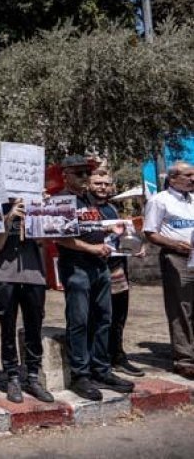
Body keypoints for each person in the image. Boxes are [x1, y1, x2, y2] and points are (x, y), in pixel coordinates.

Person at [54, 156, 134, 401]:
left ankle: (101, 369)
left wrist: (113, 232)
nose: (85, 178)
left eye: (86, 173)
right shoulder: (60, 201)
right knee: (79, 320)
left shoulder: (93, 200)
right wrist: (91, 249)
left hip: (101, 267)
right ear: (65, 175)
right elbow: (58, 237)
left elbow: (97, 226)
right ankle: (81, 375)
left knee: (104, 318)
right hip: (76, 267)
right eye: (79, 173)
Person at [0, 197, 55, 403]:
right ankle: (12, 375)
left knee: (34, 327)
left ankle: (33, 376)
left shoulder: (36, 204)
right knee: (7, 327)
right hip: (6, 274)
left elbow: (42, 241)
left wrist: (40, 212)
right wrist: (10, 216)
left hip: (34, 274)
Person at [89, 170, 145, 377]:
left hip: (117, 268)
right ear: (88, 184)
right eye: (98, 183)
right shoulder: (84, 208)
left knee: (118, 315)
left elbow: (119, 239)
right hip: (93, 268)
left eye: (106, 183)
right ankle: (99, 360)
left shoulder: (112, 208)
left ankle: (118, 356)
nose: (102, 187)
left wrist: (134, 246)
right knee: (98, 317)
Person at [143, 161, 194, 380]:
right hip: (176, 257)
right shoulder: (159, 200)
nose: (192, 179)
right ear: (173, 178)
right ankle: (185, 359)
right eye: (188, 175)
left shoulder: (192, 199)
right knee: (181, 307)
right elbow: (150, 233)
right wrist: (174, 244)